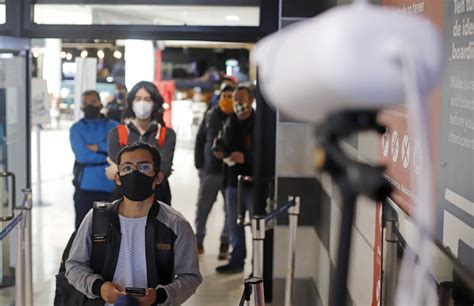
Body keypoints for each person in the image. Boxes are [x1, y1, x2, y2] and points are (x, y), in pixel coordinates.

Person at [65, 142, 202, 306]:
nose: (134, 174)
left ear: (158, 177)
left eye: (144, 167)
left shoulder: (176, 224)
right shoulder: (97, 218)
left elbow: (190, 277)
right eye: (127, 168)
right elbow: (74, 266)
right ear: (118, 178)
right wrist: (100, 288)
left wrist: (160, 296)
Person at [106, 81, 176, 205]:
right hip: (124, 201)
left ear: (155, 103)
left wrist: (126, 169)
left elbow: (164, 170)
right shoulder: (116, 133)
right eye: (138, 99)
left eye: (147, 99)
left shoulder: (167, 134)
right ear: (131, 102)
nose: (142, 103)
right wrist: (149, 169)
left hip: (158, 200)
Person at [213, 85, 255, 274]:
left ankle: (260, 263)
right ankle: (237, 261)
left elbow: (269, 153)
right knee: (234, 224)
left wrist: (247, 158)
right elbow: (220, 141)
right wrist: (219, 150)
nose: (237, 102)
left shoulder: (260, 124)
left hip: (254, 182)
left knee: (257, 224)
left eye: (241, 98)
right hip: (232, 182)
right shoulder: (230, 122)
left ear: (251, 100)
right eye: (235, 99)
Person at [194, 85, 234, 259]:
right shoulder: (211, 115)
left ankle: (225, 243)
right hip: (211, 169)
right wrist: (199, 165)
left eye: (230, 96)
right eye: (224, 95)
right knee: (203, 207)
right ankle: (198, 241)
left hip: (231, 171)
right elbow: (200, 139)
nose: (227, 99)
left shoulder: (237, 117)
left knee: (230, 210)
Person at [70, 90, 119, 229]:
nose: (90, 106)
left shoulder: (114, 126)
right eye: (86, 103)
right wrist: (106, 152)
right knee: (83, 231)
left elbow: (117, 151)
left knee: (111, 231)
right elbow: (82, 156)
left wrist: (97, 147)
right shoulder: (76, 129)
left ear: (100, 104)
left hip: (111, 186)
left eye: (93, 102)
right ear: (81, 107)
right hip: (85, 188)